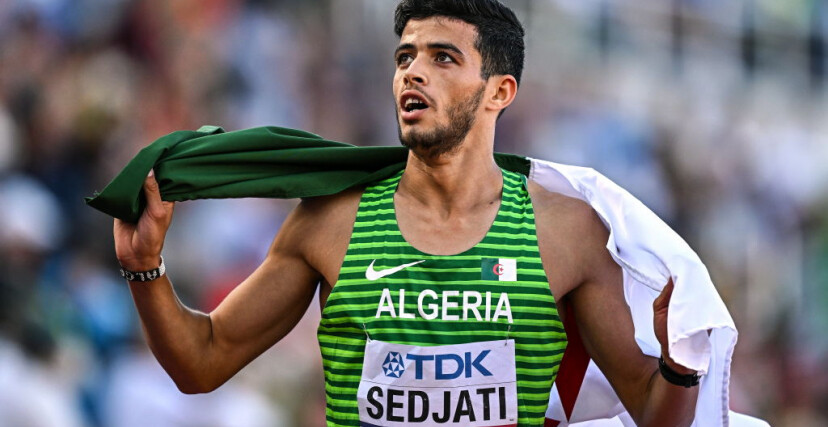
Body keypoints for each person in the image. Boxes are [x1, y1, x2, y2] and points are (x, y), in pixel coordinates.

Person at [113, 1, 701, 425]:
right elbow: (202, 362)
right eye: (404, 57)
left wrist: (680, 364)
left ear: (499, 91)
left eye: (443, 58)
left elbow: (651, 411)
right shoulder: (332, 221)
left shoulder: (566, 232)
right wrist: (145, 268)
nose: (412, 72)